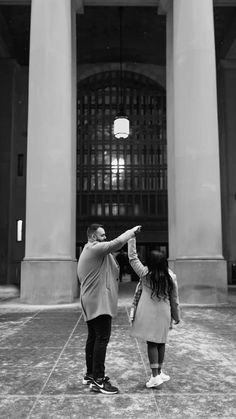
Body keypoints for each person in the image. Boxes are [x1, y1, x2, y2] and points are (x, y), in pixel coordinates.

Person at [77, 223, 141, 395]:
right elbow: (115, 243)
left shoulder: (92, 251)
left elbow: (113, 253)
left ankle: (90, 374)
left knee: (93, 337)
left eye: (105, 235)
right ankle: (98, 380)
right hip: (99, 301)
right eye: (102, 235)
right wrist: (131, 231)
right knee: (102, 339)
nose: (105, 238)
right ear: (92, 237)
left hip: (92, 300)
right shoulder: (94, 248)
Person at [128, 235, 180, 388]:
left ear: (149, 262)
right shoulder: (171, 277)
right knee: (161, 341)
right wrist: (176, 316)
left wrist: (132, 237)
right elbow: (174, 299)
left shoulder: (144, 273)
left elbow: (132, 258)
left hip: (147, 313)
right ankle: (160, 371)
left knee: (152, 343)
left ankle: (155, 376)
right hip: (164, 313)